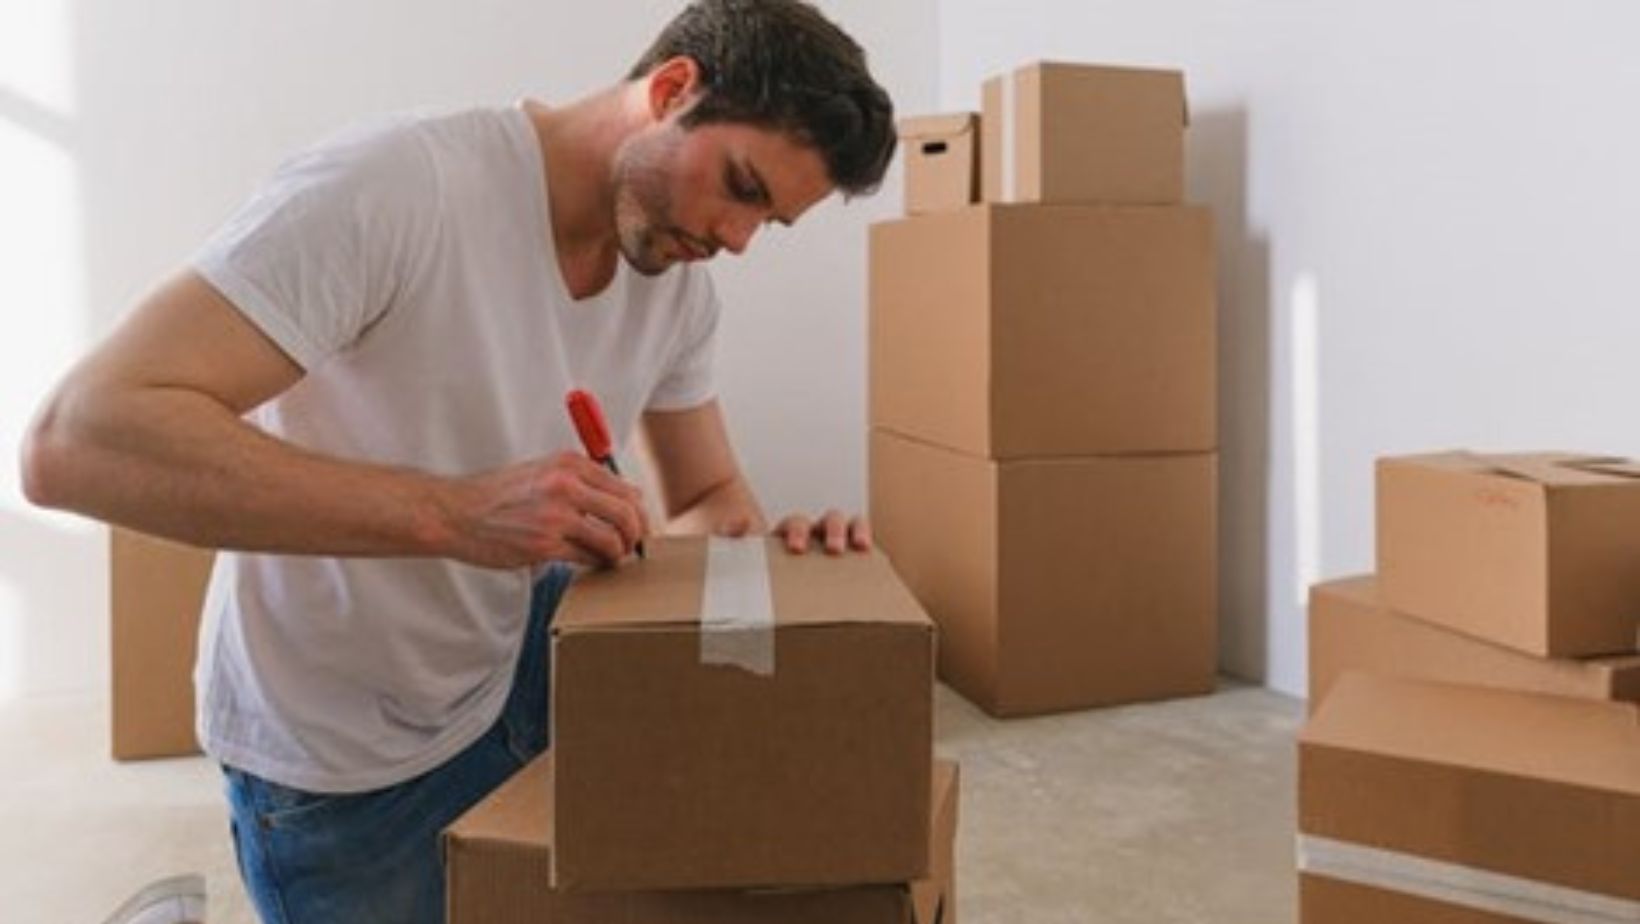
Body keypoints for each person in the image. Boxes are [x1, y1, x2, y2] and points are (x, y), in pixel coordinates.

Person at [20, 0, 896, 920]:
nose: (737, 239)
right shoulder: (399, 187)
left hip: (519, 674)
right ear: (673, 90)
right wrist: (453, 513)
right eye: (743, 187)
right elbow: (76, 439)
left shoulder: (676, 291)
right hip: (341, 751)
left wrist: (772, 568)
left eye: (772, 223)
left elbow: (708, 495)